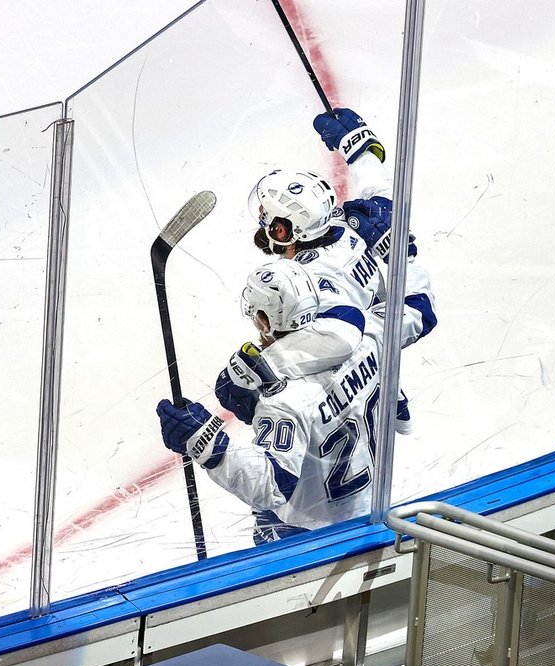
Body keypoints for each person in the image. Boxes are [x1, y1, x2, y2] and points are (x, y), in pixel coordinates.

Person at [157, 256, 436, 544]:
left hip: (309, 534)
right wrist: (405, 256)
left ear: (264, 320)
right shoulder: (372, 336)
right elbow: (418, 310)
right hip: (371, 510)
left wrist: (208, 446)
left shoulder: (283, 400)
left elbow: (271, 485)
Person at [242, 106, 419, 429]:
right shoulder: (345, 225)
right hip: (378, 362)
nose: (263, 220)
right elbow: (381, 196)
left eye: (267, 216)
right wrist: (359, 149)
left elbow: (336, 342)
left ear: (283, 229)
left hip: (349, 391)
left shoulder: (306, 283)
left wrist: (260, 370)